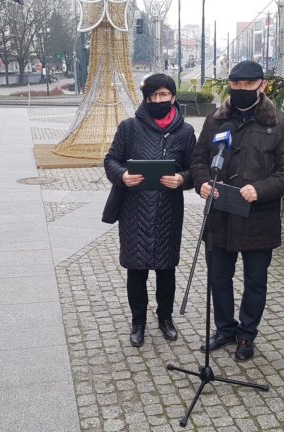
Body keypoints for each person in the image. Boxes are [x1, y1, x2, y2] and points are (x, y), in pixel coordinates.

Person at [191, 61, 284, 362]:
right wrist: (202, 182)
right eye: (235, 85)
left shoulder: (278, 122)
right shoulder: (215, 119)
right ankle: (225, 329)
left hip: (258, 218)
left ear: (262, 86)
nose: (241, 91)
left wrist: (260, 189)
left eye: (248, 85)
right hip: (220, 214)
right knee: (218, 278)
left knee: (255, 281)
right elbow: (199, 158)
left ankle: (247, 335)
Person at [104, 74, 196, 347]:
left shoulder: (185, 132)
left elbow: (194, 167)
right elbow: (111, 159)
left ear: (173, 98)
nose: (158, 100)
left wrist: (183, 179)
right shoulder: (129, 128)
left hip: (169, 210)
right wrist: (122, 175)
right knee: (137, 270)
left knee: (166, 269)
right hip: (135, 211)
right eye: (153, 96)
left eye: (163, 95)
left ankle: (165, 317)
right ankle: (138, 321)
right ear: (146, 99)